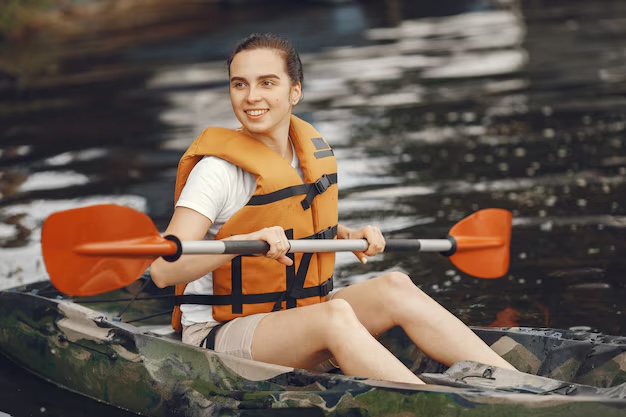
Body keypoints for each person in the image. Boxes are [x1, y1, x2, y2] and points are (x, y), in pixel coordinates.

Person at [149, 33, 516, 384]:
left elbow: (293, 221)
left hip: (291, 318)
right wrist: (246, 242)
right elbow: (164, 271)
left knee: (394, 285)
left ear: (295, 92)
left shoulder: (306, 154)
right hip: (219, 337)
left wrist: (348, 234)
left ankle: (519, 386)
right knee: (335, 315)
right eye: (239, 84)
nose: (251, 96)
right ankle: (438, 406)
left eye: (267, 83)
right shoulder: (217, 172)